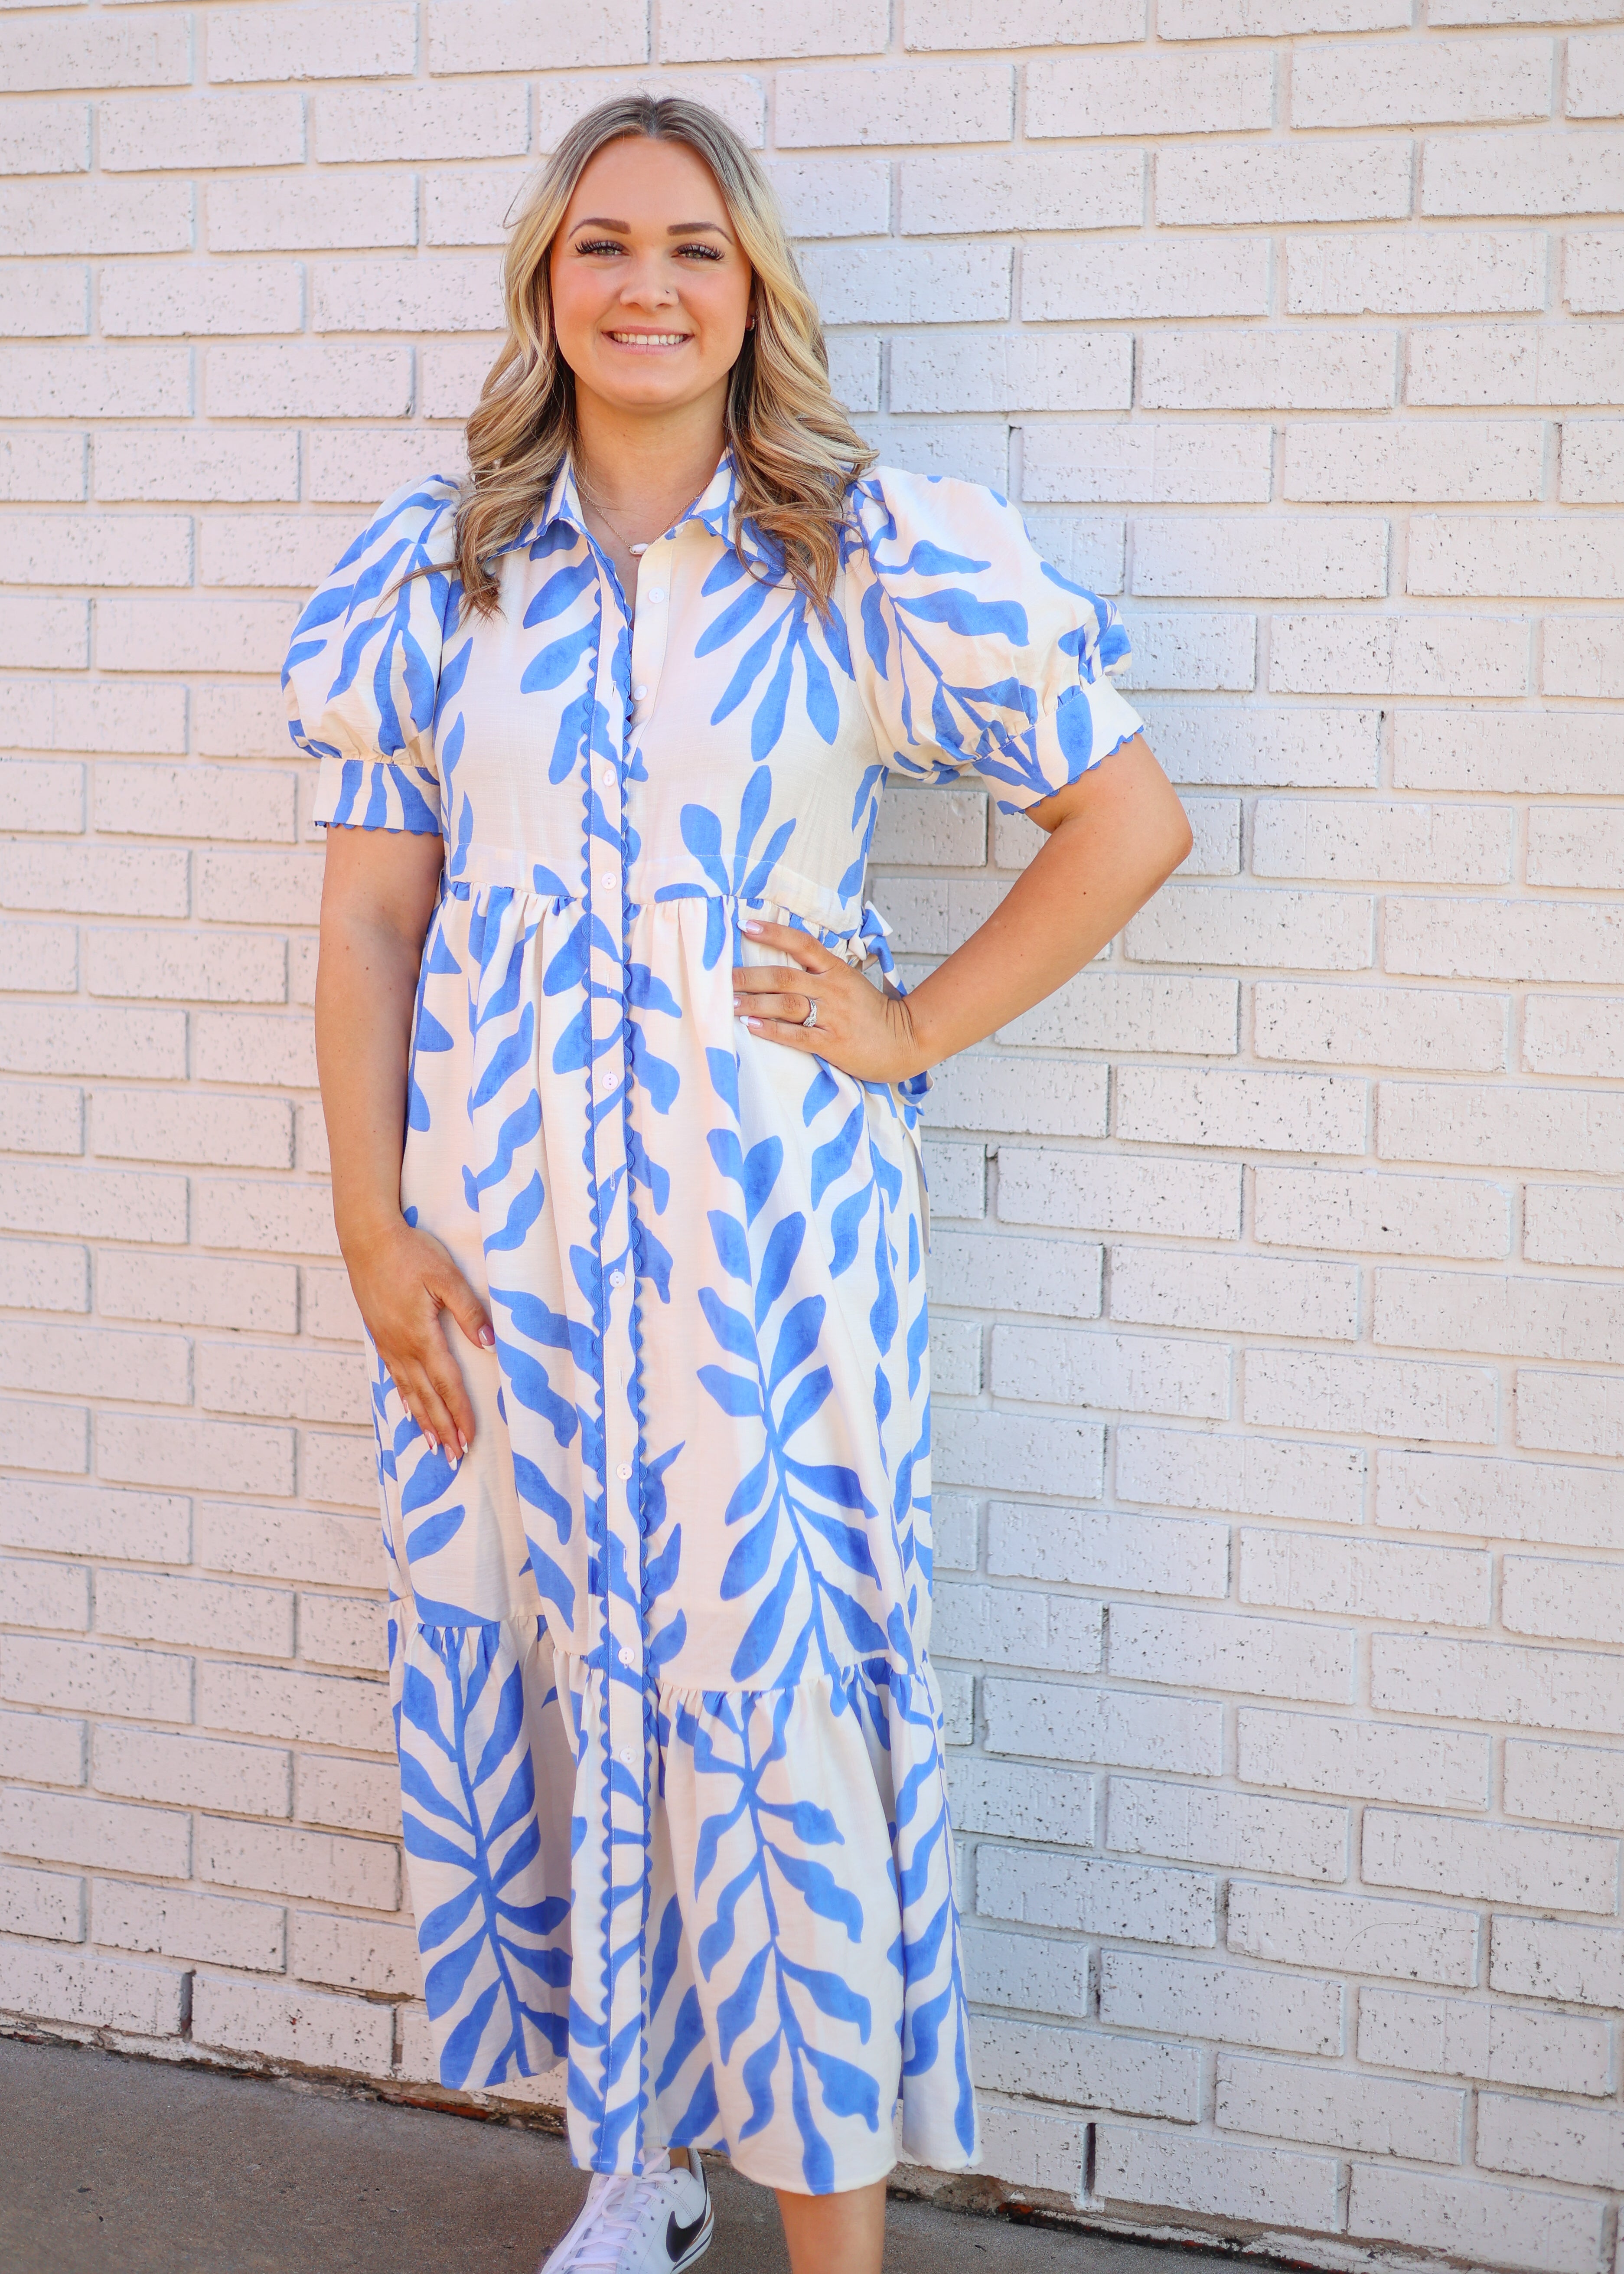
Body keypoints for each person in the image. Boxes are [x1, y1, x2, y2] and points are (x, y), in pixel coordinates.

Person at [288, 93, 1191, 2274]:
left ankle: (833, 2253)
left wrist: (905, 1025)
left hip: (762, 1250)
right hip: (499, 1246)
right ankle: (635, 2174)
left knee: (762, 1708)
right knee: (581, 1675)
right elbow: (369, 928)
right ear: (548, 284)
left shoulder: (859, 555)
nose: (648, 286)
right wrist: (371, 1224)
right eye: (605, 245)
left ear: (752, 288)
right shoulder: (446, 567)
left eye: (695, 248)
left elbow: (1127, 820)